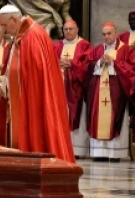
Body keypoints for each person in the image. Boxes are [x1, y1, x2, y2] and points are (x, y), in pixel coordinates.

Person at [0, 4, 75, 163]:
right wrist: (3, 88)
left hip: (33, 102)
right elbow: (13, 69)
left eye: (4, 25)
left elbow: (37, 78)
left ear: (14, 19)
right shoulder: (19, 36)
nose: (2, 30)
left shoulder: (33, 36)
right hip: (18, 102)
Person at [85, 22, 135, 162]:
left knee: (115, 118)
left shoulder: (126, 49)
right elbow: (87, 67)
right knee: (97, 117)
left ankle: (115, 154)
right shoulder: (97, 50)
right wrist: (98, 62)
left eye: (109, 33)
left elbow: (134, 69)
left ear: (115, 33)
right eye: (103, 34)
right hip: (98, 92)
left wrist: (114, 63)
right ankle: (99, 153)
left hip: (117, 93)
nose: (106, 37)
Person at [54, 19, 92, 158]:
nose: (68, 32)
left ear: (77, 30)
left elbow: (88, 66)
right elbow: (49, 63)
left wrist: (72, 64)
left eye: (71, 29)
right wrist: (57, 64)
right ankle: (59, 148)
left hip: (76, 89)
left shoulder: (84, 45)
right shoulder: (57, 46)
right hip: (59, 88)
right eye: (66, 29)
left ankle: (77, 150)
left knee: (77, 117)